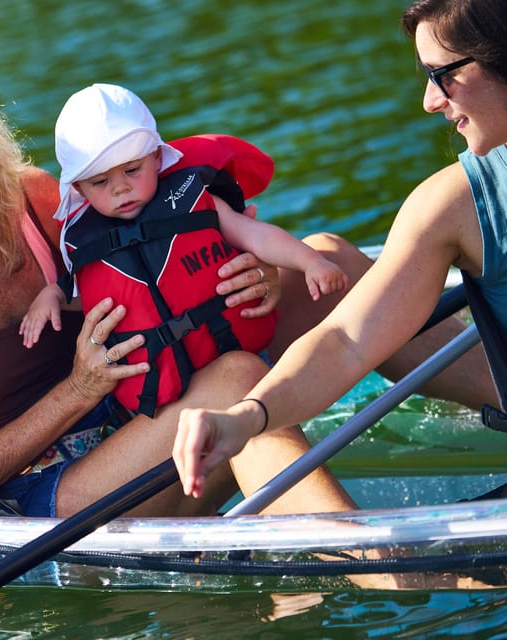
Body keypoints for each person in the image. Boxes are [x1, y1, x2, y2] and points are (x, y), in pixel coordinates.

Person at [0, 49, 492, 522]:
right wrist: (78, 388)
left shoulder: (34, 199)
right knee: (229, 381)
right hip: (46, 496)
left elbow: (169, 256)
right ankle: (374, 565)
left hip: (142, 408)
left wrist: (255, 278)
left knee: (327, 264)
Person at [172, 0, 507, 502]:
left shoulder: (456, 202)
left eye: (442, 75)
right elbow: (346, 340)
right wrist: (248, 416)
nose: (429, 101)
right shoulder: (451, 205)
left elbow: (348, 341)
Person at [20, 83, 347, 418]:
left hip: (239, 361)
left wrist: (310, 262)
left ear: (157, 157)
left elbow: (257, 236)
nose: (120, 187)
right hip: (162, 406)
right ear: (78, 189)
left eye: (132, 169)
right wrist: (54, 297)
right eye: (100, 182)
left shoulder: (193, 200)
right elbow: (91, 300)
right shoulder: (85, 241)